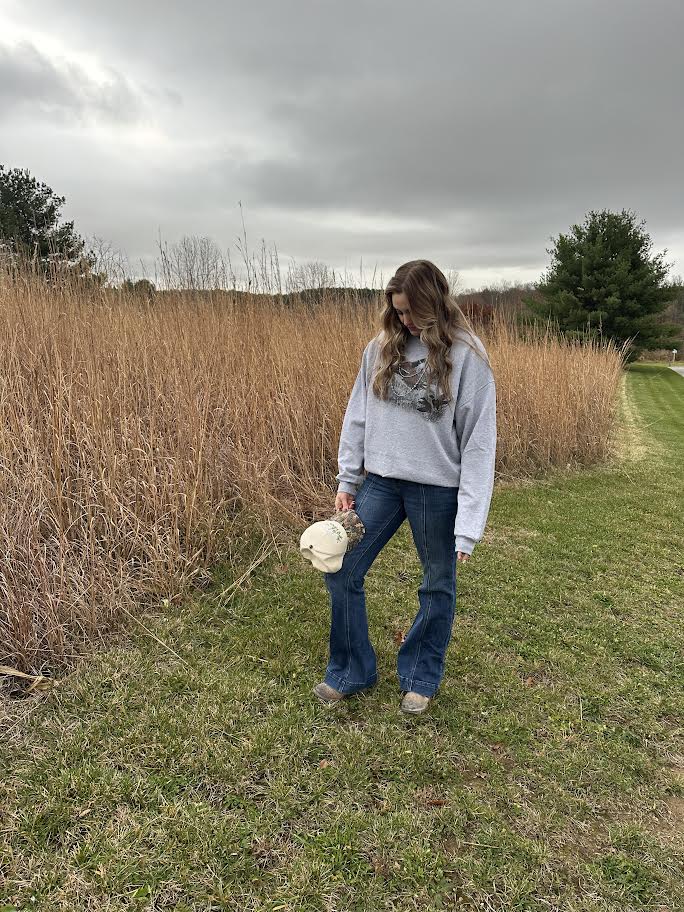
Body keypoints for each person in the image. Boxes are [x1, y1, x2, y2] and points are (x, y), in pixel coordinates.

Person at [314, 259, 497, 715]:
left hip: (437, 490)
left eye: (412, 311)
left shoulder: (467, 356)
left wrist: (469, 524)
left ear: (435, 304)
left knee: (437, 584)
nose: (405, 321)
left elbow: (479, 444)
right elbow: (357, 414)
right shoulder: (379, 349)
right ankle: (353, 669)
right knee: (340, 566)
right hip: (380, 483)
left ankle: (419, 676)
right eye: (398, 312)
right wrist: (347, 478)